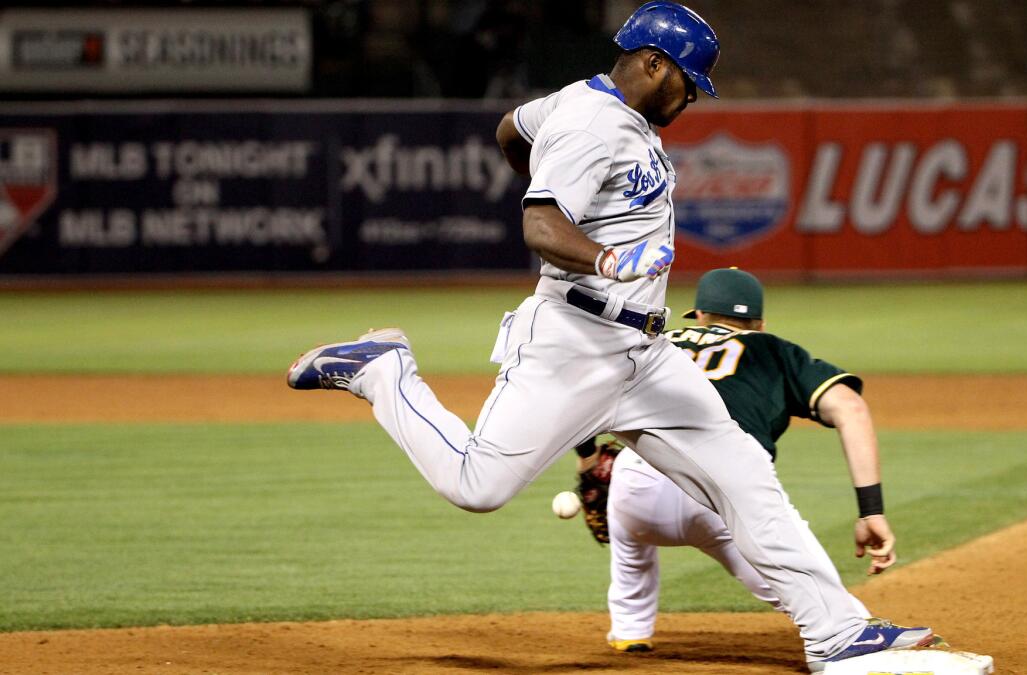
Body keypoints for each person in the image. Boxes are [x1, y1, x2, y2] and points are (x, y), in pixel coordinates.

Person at [286, 3, 933, 669]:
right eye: (688, 82)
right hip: (573, 342)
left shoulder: (578, 101)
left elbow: (511, 129)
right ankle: (385, 371)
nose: (691, 97)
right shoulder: (593, 125)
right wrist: (601, 255)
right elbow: (539, 226)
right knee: (478, 485)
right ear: (654, 65)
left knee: (745, 476)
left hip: (647, 356)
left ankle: (838, 632)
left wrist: (558, 192)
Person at [578, 268, 901, 654]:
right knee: (803, 586)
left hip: (639, 489)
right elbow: (850, 408)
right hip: (727, 491)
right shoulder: (772, 348)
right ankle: (856, 633)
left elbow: (576, 392)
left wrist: (589, 459)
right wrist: (870, 511)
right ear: (759, 324)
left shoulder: (653, 341)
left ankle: (630, 630)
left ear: (698, 315)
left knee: (631, 545)